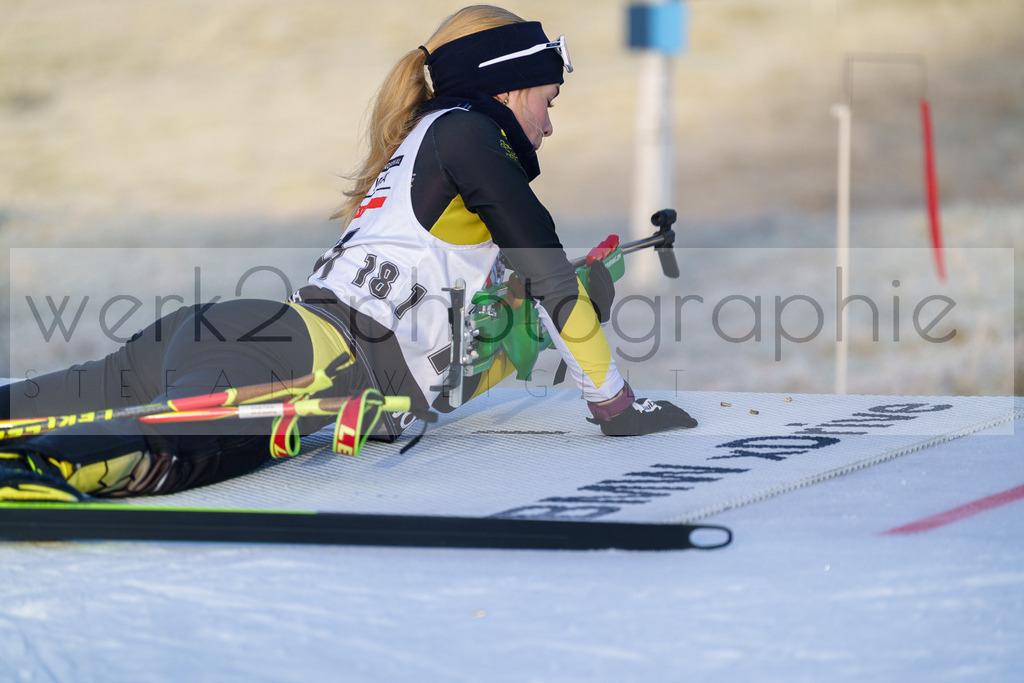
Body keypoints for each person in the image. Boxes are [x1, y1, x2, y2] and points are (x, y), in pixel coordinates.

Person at [0, 5, 696, 503]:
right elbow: (544, 275)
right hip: (298, 363)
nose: (550, 121)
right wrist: (614, 404)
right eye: (548, 98)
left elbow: (464, 350)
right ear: (506, 86)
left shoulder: (428, 140)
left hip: (254, 337)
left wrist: (569, 300)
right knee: (156, 457)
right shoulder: (469, 136)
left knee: (32, 404)